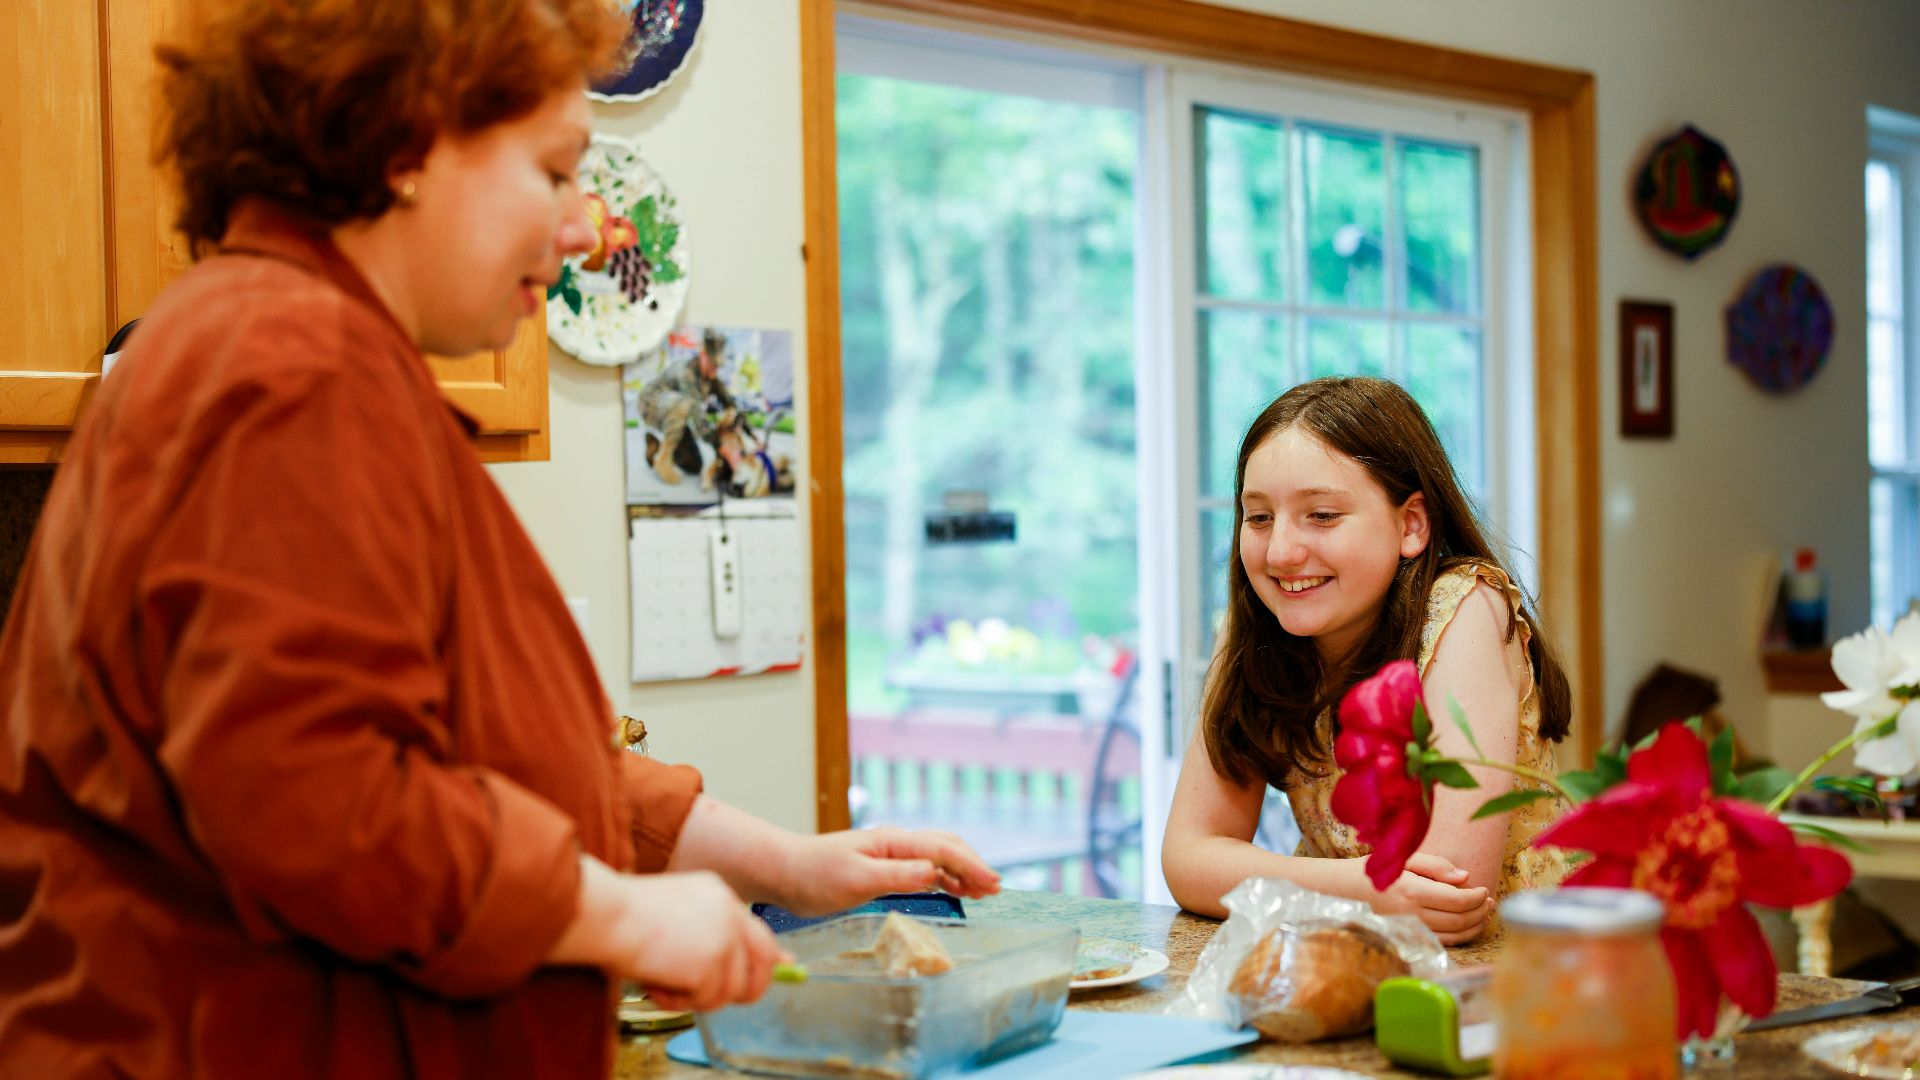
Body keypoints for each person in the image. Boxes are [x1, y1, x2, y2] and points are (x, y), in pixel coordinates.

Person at [0, 2, 997, 1076]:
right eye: (558, 170)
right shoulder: (286, 373)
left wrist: (785, 864)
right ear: (411, 143)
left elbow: (474, 762)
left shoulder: (298, 353)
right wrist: (616, 915)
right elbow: (316, 799)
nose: (587, 228)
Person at [1161, 377, 1570, 943]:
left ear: (1411, 525)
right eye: (1258, 517)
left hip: (1519, 969)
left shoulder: (1466, 609)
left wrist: (1288, 883)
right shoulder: (1254, 625)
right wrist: (1371, 890)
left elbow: (1452, 889)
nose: (1280, 551)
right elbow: (1188, 859)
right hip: (1353, 951)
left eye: (1321, 515)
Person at [640, 328, 753, 490]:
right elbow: (696, 412)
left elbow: (731, 403)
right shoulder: (687, 373)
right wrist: (719, 443)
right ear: (703, 356)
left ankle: (655, 445)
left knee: (694, 465)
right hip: (651, 404)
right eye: (713, 363)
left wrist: (752, 434)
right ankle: (663, 459)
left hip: (674, 412)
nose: (716, 368)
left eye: (718, 364)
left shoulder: (711, 378)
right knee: (684, 404)